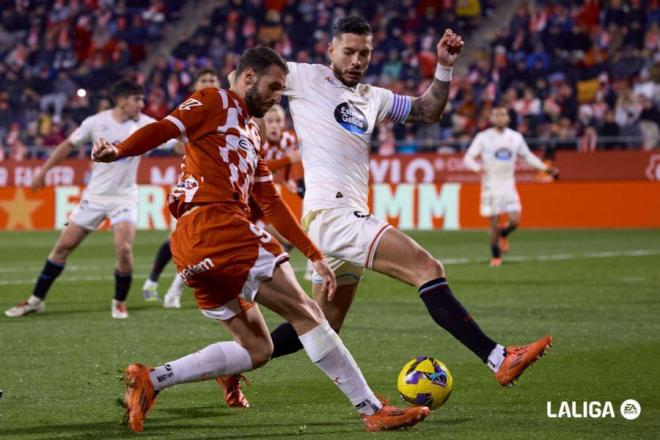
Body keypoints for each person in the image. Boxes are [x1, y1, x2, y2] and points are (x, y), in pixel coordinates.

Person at [91, 46, 429, 433]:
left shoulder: (251, 132)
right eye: (272, 87)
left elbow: (270, 201)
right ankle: (371, 408)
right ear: (248, 76)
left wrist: (313, 253)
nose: (275, 97)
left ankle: (152, 379)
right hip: (218, 224)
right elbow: (164, 128)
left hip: (192, 244)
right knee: (309, 314)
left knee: (258, 349)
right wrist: (118, 150)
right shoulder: (214, 100)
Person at [221, 17, 553, 405]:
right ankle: (498, 358)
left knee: (321, 324)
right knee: (427, 268)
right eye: (348, 51)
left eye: (364, 53)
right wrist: (239, 120)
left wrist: (444, 66)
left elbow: (428, 110)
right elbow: (244, 74)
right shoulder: (305, 77)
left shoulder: (373, 97)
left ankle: (232, 367)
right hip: (334, 214)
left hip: (337, 217)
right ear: (331, 50)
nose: (357, 60)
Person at [5, 79, 157, 319]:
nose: (142, 104)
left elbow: (177, 144)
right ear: (121, 100)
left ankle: (119, 302)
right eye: (137, 99)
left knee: (124, 249)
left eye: (142, 99)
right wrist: (44, 171)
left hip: (124, 197)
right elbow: (68, 145)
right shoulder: (96, 122)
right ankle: (35, 300)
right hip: (94, 197)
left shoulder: (148, 124)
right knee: (63, 248)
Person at [142, 68, 222, 308]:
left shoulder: (227, 110)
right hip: (192, 185)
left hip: (222, 184)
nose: (208, 83)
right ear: (194, 86)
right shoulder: (189, 109)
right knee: (182, 239)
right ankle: (159, 284)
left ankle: (170, 289)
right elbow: (171, 138)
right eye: (203, 80)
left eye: (212, 80)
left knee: (207, 241)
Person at [464, 106, 557, 267]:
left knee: (515, 220)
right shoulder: (483, 137)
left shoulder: (515, 137)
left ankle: (503, 234)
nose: (500, 117)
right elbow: (468, 158)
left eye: (503, 114)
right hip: (490, 185)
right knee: (493, 222)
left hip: (508, 184)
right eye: (497, 115)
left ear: (508, 118)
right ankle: (496, 257)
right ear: (492, 119)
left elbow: (528, 156)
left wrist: (545, 167)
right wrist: (478, 168)